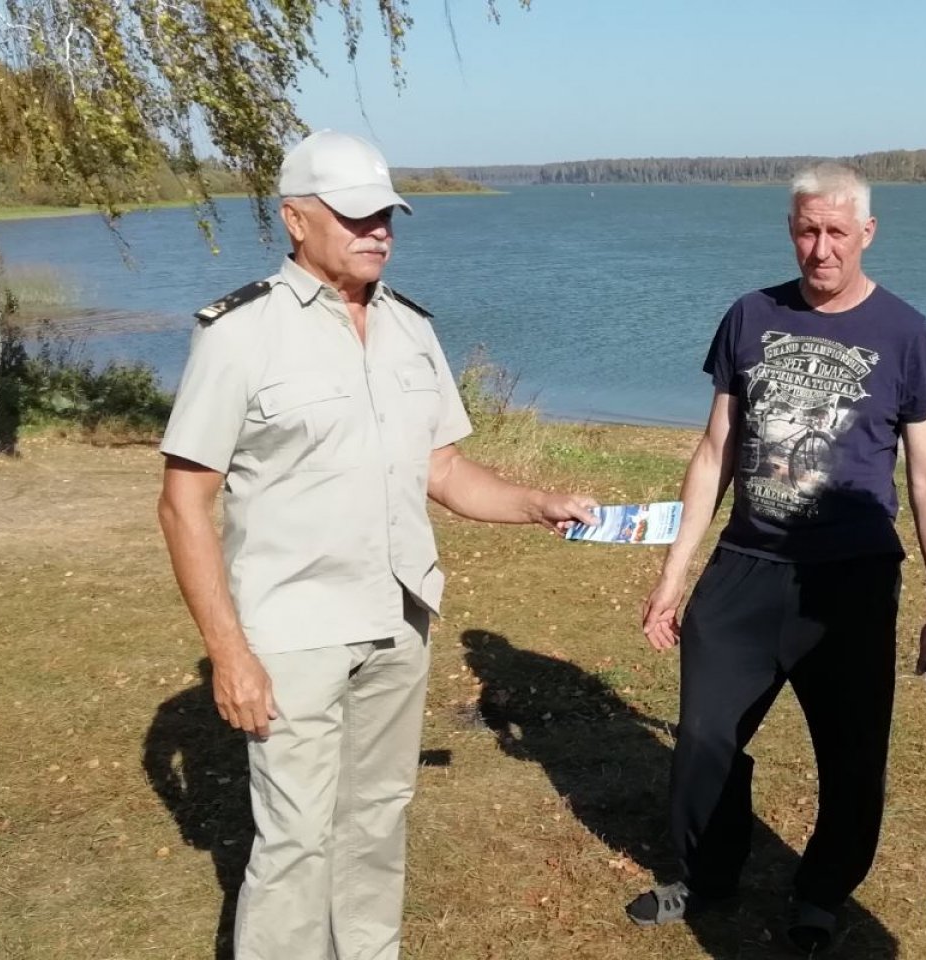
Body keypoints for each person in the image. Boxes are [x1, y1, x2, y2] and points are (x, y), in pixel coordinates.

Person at [155, 129, 597, 960]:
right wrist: (229, 654)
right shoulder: (239, 334)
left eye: (385, 216)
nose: (378, 232)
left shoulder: (408, 327)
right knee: (295, 840)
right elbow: (184, 505)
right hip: (293, 630)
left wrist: (535, 502)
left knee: (376, 819)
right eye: (356, 216)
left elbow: (445, 469)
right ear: (296, 219)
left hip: (399, 620)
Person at [631, 162, 926, 952]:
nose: (822, 249)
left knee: (852, 755)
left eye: (837, 232)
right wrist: (673, 576)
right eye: (808, 231)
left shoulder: (905, 332)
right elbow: (716, 447)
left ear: (867, 233)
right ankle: (708, 874)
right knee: (705, 736)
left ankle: (820, 895)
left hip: (850, 579)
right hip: (746, 565)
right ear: (790, 230)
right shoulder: (750, 315)